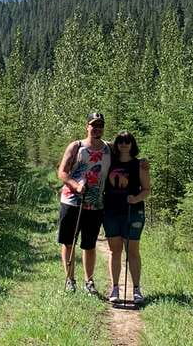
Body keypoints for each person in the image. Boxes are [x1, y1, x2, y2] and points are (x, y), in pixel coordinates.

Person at [57, 112, 111, 294]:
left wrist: (141, 163)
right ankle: (70, 280)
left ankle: (89, 281)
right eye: (93, 125)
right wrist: (75, 185)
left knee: (89, 244)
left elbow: (128, 156)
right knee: (68, 241)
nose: (97, 128)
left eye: (100, 125)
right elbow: (62, 172)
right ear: (87, 126)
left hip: (95, 203)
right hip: (72, 201)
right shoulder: (76, 146)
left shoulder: (108, 148)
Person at [103, 131, 150, 304]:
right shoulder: (110, 162)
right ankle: (115, 288)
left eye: (127, 141)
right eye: (120, 141)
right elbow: (101, 144)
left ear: (132, 144)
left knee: (132, 251)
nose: (124, 144)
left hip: (133, 211)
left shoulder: (139, 165)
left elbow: (147, 189)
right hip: (111, 211)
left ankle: (136, 289)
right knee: (115, 250)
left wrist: (136, 198)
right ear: (116, 144)